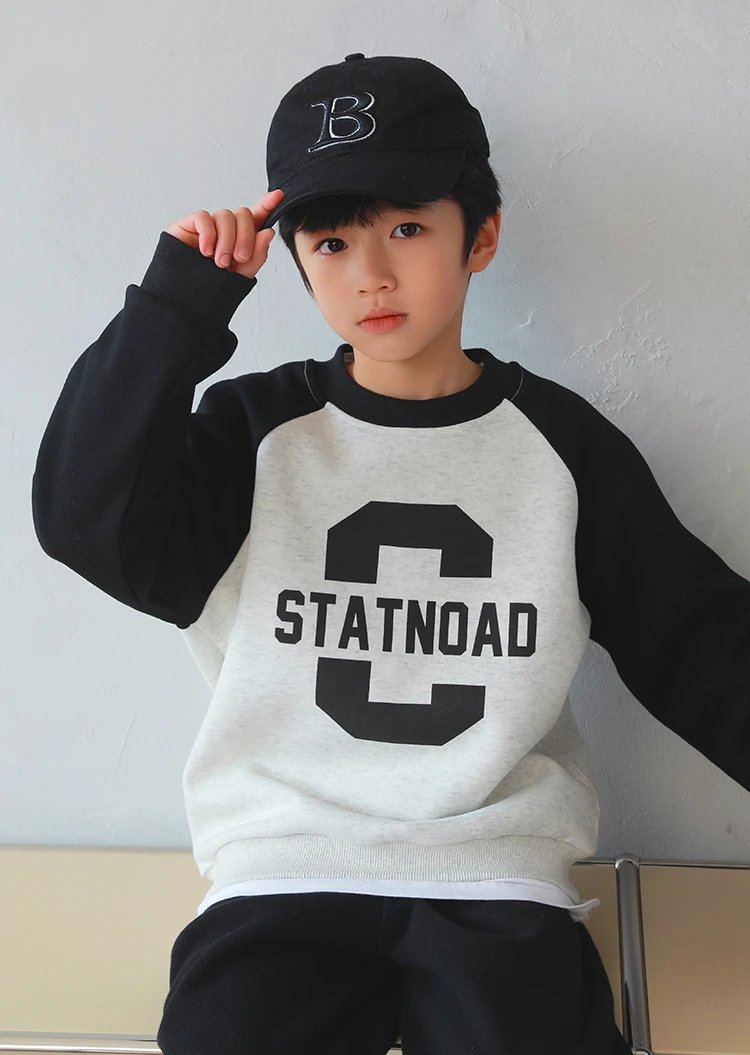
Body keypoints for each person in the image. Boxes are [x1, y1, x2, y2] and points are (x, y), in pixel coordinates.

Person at [30, 52, 749, 1055]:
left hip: (494, 875)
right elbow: (83, 517)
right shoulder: (252, 435)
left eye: (407, 227)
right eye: (330, 241)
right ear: (294, 259)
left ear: (480, 235)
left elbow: (701, 645)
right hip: (282, 873)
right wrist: (175, 310)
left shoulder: (562, 449)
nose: (370, 272)